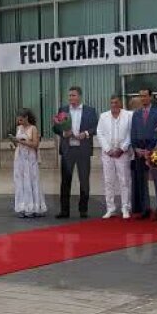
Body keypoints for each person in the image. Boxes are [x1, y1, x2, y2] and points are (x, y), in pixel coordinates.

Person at [52, 86, 98, 219]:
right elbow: (55, 128)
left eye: (73, 95)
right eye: (69, 95)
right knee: (65, 181)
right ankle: (64, 211)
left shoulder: (90, 111)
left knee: (84, 181)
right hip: (68, 150)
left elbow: (95, 127)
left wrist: (86, 133)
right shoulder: (63, 110)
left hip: (83, 150)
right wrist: (63, 132)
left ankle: (83, 210)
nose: (71, 98)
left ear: (79, 96)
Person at [129, 87, 157, 220]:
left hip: (153, 149)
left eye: (145, 96)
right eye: (141, 96)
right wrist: (136, 148)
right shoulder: (136, 114)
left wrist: (149, 149)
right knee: (141, 180)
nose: (143, 98)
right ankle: (145, 208)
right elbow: (133, 132)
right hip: (139, 151)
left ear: (151, 97)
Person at [96, 94, 132, 219]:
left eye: (116, 102)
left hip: (123, 153)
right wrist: (108, 149)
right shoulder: (103, 116)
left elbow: (130, 134)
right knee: (108, 181)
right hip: (108, 154)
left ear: (121, 103)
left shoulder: (129, 115)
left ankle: (125, 207)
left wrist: (122, 149)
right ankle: (110, 208)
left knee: (124, 181)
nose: (114, 105)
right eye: (112, 102)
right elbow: (99, 133)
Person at [11, 108, 47, 218]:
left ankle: (33, 207)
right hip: (20, 157)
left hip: (30, 158)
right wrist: (14, 143)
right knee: (20, 181)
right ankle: (22, 207)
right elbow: (18, 144)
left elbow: (35, 144)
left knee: (31, 181)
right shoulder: (18, 128)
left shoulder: (33, 129)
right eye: (18, 120)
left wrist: (21, 142)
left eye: (21, 119)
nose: (19, 122)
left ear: (26, 117)